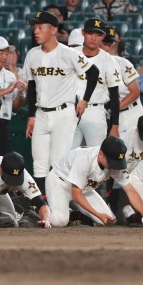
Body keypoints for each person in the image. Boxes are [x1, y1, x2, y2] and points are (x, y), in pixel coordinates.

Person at [23, 11, 100, 197]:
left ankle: (61, 203)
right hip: (40, 113)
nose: (36, 31)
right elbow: (32, 87)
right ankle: (43, 207)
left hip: (63, 114)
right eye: (35, 28)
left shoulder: (68, 53)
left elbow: (94, 71)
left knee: (58, 163)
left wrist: (84, 100)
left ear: (54, 30)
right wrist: (31, 116)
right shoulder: (32, 54)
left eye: (40, 27)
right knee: (39, 163)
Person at [46, 136, 143, 227]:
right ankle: (42, 211)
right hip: (60, 183)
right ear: (101, 154)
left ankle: (72, 214)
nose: (114, 166)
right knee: (59, 221)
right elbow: (76, 195)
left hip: (84, 189)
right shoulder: (83, 159)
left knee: (107, 221)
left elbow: (131, 191)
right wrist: (98, 214)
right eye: (111, 161)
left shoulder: (115, 164)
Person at [72, 18, 121, 149]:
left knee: (96, 156)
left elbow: (115, 96)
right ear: (83, 32)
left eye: (98, 34)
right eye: (90, 33)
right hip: (71, 111)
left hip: (95, 111)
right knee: (68, 157)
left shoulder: (109, 61)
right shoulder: (71, 53)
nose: (93, 38)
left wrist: (115, 126)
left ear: (103, 36)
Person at [100, 25, 143, 134]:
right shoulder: (91, 65)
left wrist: (115, 108)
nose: (108, 47)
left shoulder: (122, 62)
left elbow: (135, 92)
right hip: (110, 116)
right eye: (105, 43)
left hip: (131, 112)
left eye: (110, 44)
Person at [0, 36, 26, 155]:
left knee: (0, 162)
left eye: (7, 53)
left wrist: (20, 92)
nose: (5, 57)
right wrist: (8, 89)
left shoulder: (10, 76)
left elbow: (17, 106)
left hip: (3, 124)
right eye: (1, 52)